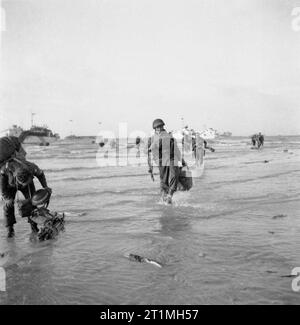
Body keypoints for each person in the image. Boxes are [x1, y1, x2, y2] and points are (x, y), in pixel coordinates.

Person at [0, 157, 51, 238]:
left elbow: (41, 175)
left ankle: (34, 226)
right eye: (22, 183)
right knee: (8, 205)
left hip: (28, 183)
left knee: (32, 202)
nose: (23, 185)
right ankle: (10, 230)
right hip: (10, 185)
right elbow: (2, 184)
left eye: (25, 183)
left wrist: (45, 187)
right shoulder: (6, 169)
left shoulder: (32, 168)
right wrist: (5, 197)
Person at [148, 119, 184, 204]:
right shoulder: (152, 139)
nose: (159, 129)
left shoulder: (170, 137)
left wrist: (182, 161)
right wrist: (150, 169)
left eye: (160, 127)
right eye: (157, 127)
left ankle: (170, 195)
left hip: (172, 158)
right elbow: (149, 153)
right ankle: (164, 198)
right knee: (164, 181)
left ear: (163, 126)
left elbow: (176, 150)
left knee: (174, 176)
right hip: (161, 161)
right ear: (154, 129)